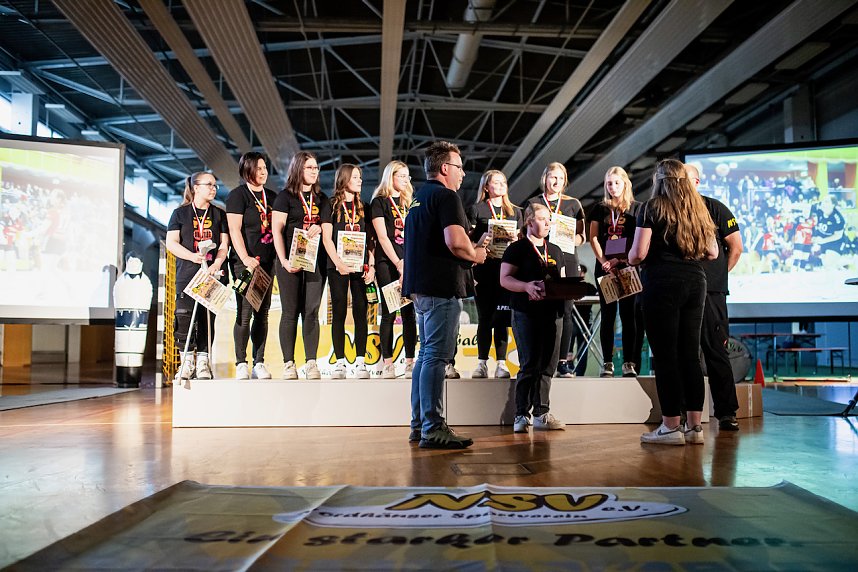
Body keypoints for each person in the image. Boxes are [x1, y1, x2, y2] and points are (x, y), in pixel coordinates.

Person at [402, 141, 487, 449]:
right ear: (445, 169)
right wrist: (477, 254)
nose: (463, 174)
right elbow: (455, 242)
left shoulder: (419, 197)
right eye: (459, 166)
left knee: (426, 356)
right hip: (441, 287)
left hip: (421, 287)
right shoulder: (446, 196)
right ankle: (433, 426)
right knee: (436, 358)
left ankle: (419, 424)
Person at [629, 158, 717, 445]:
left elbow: (638, 254)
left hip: (662, 283)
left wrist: (629, 258)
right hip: (695, 281)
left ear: (660, 180)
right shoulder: (699, 209)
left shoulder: (651, 207)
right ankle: (694, 428)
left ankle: (670, 427)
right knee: (690, 355)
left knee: (666, 357)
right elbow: (713, 252)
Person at [686, 163, 744, 431]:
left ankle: (726, 412)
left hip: (711, 292)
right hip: (681, 292)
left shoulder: (715, 208)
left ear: (696, 182)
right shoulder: (672, 211)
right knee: (685, 355)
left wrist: (719, 275)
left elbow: (736, 247)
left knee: (716, 351)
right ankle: (688, 416)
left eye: (683, 179)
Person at [500, 203, 566, 433]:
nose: (548, 223)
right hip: (525, 313)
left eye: (549, 220)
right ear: (529, 221)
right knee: (528, 364)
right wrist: (526, 286)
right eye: (543, 219)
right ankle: (521, 414)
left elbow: (561, 280)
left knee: (548, 365)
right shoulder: (517, 249)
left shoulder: (556, 250)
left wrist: (569, 291)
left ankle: (542, 413)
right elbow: (504, 279)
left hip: (553, 313)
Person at [166, 172, 229, 381]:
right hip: (187, 274)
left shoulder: (219, 215)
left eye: (215, 185)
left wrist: (217, 263)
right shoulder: (179, 214)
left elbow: (224, 245)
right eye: (209, 184)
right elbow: (172, 243)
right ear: (196, 187)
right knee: (184, 317)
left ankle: (203, 361)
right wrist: (192, 257)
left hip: (211, 275)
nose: (213, 188)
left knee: (206, 318)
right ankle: (186, 361)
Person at [272, 151, 330, 380]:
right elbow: (277, 231)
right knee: (289, 312)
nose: (315, 171)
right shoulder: (284, 197)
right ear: (298, 169)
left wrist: (320, 228)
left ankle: (311, 362)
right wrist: (284, 260)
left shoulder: (322, 199)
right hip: (289, 262)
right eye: (310, 168)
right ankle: (288, 363)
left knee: (311, 312)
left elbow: (327, 228)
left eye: (316, 168)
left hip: (315, 262)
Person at [528, 162, 585, 378]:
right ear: (545, 178)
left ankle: (563, 361)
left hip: (568, 259)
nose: (556, 182)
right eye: (552, 177)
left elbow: (583, 237)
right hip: (540, 259)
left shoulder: (573, 204)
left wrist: (571, 237)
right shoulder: (533, 203)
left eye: (560, 178)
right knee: (540, 309)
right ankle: (539, 359)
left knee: (566, 311)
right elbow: (527, 231)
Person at [225, 152, 277, 380]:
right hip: (244, 264)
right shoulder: (238, 196)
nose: (263, 172)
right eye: (258, 168)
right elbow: (235, 230)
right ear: (247, 171)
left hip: (267, 263)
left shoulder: (273, 197)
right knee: (244, 313)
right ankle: (240, 362)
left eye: (265, 168)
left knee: (262, 314)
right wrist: (245, 258)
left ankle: (259, 361)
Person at [588, 166, 643, 378]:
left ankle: (629, 362)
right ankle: (608, 363)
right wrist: (603, 261)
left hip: (627, 267)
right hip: (605, 269)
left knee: (629, 316)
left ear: (625, 184)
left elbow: (639, 239)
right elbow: (592, 237)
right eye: (609, 183)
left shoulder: (636, 209)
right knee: (608, 315)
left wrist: (622, 260)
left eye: (617, 183)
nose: (613, 187)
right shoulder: (599, 209)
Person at [467, 170, 522, 379]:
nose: (500, 185)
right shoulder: (476, 209)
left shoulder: (515, 212)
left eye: (503, 182)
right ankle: (481, 363)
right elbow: (469, 243)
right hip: (484, 269)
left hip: (506, 271)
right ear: (486, 186)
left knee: (501, 316)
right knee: (485, 317)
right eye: (495, 182)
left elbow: (521, 243)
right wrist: (482, 241)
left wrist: (516, 240)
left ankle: (501, 363)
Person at [321, 164, 374, 379]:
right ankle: (340, 362)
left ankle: (361, 362)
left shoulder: (365, 207)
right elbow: (326, 237)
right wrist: (338, 263)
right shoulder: (331, 205)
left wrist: (370, 265)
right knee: (340, 311)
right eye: (355, 177)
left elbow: (372, 240)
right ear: (344, 179)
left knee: (361, 310)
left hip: (360, 267)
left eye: (360, 177)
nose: (360, 180)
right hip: (338, 267)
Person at [370, 161, 417, 378]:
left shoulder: (411, 203)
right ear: (391, 177)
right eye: (402, 176)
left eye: (408, 176)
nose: (406, 180)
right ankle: (387, 363)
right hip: (388, 263)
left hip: (411, 262)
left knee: (409, 313)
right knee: (389, 311)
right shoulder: (379, 202)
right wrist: (399, 263)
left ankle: (409, 362)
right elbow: (382, 237)